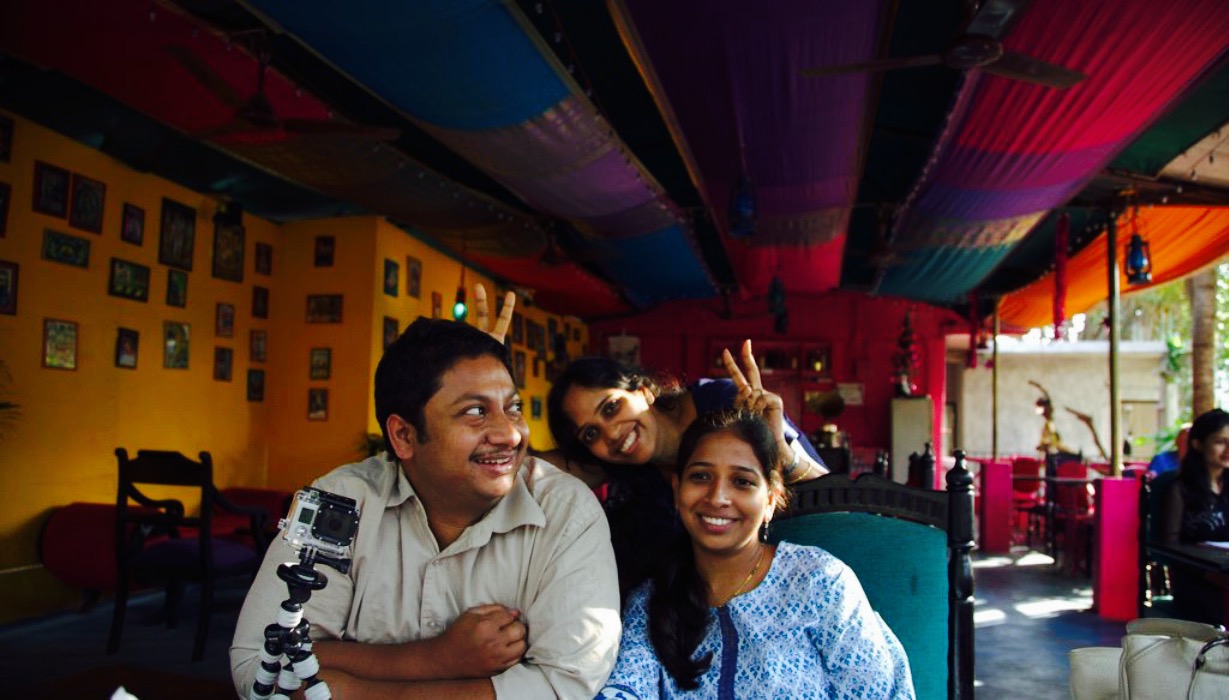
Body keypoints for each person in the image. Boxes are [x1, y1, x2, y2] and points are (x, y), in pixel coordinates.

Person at [230, 316, 621, 698]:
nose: (509, 434)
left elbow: (564, 686)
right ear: (403, 435)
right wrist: (436, 659)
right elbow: (260, 666)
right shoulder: (341, 502)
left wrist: (352, 690)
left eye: (513, 408)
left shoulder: (567, 514)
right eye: (476, 411)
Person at [598, 408, 913, 698]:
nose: (718, 497)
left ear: (771, 499)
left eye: (742, 481)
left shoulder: (820, 582)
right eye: (701, 476)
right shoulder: (651, 602)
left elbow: (878, 691)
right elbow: (626, 688)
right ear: (677, 490)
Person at [544, 343, 827, 597]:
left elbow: (831, 493)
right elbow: (535, 467)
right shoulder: (626, 468)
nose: (612, 433)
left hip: (799, 576)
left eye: (611, 408)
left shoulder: (727, 404)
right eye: (591, 434)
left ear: (643, 391)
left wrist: (782, 451)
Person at [1160, 408, 1229, 625]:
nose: (1228, 449)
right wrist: (1212, 576)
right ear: (1198, 444)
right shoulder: (1180, 489)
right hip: (1197, 581)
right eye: (1220, 442)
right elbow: (1170, 546)